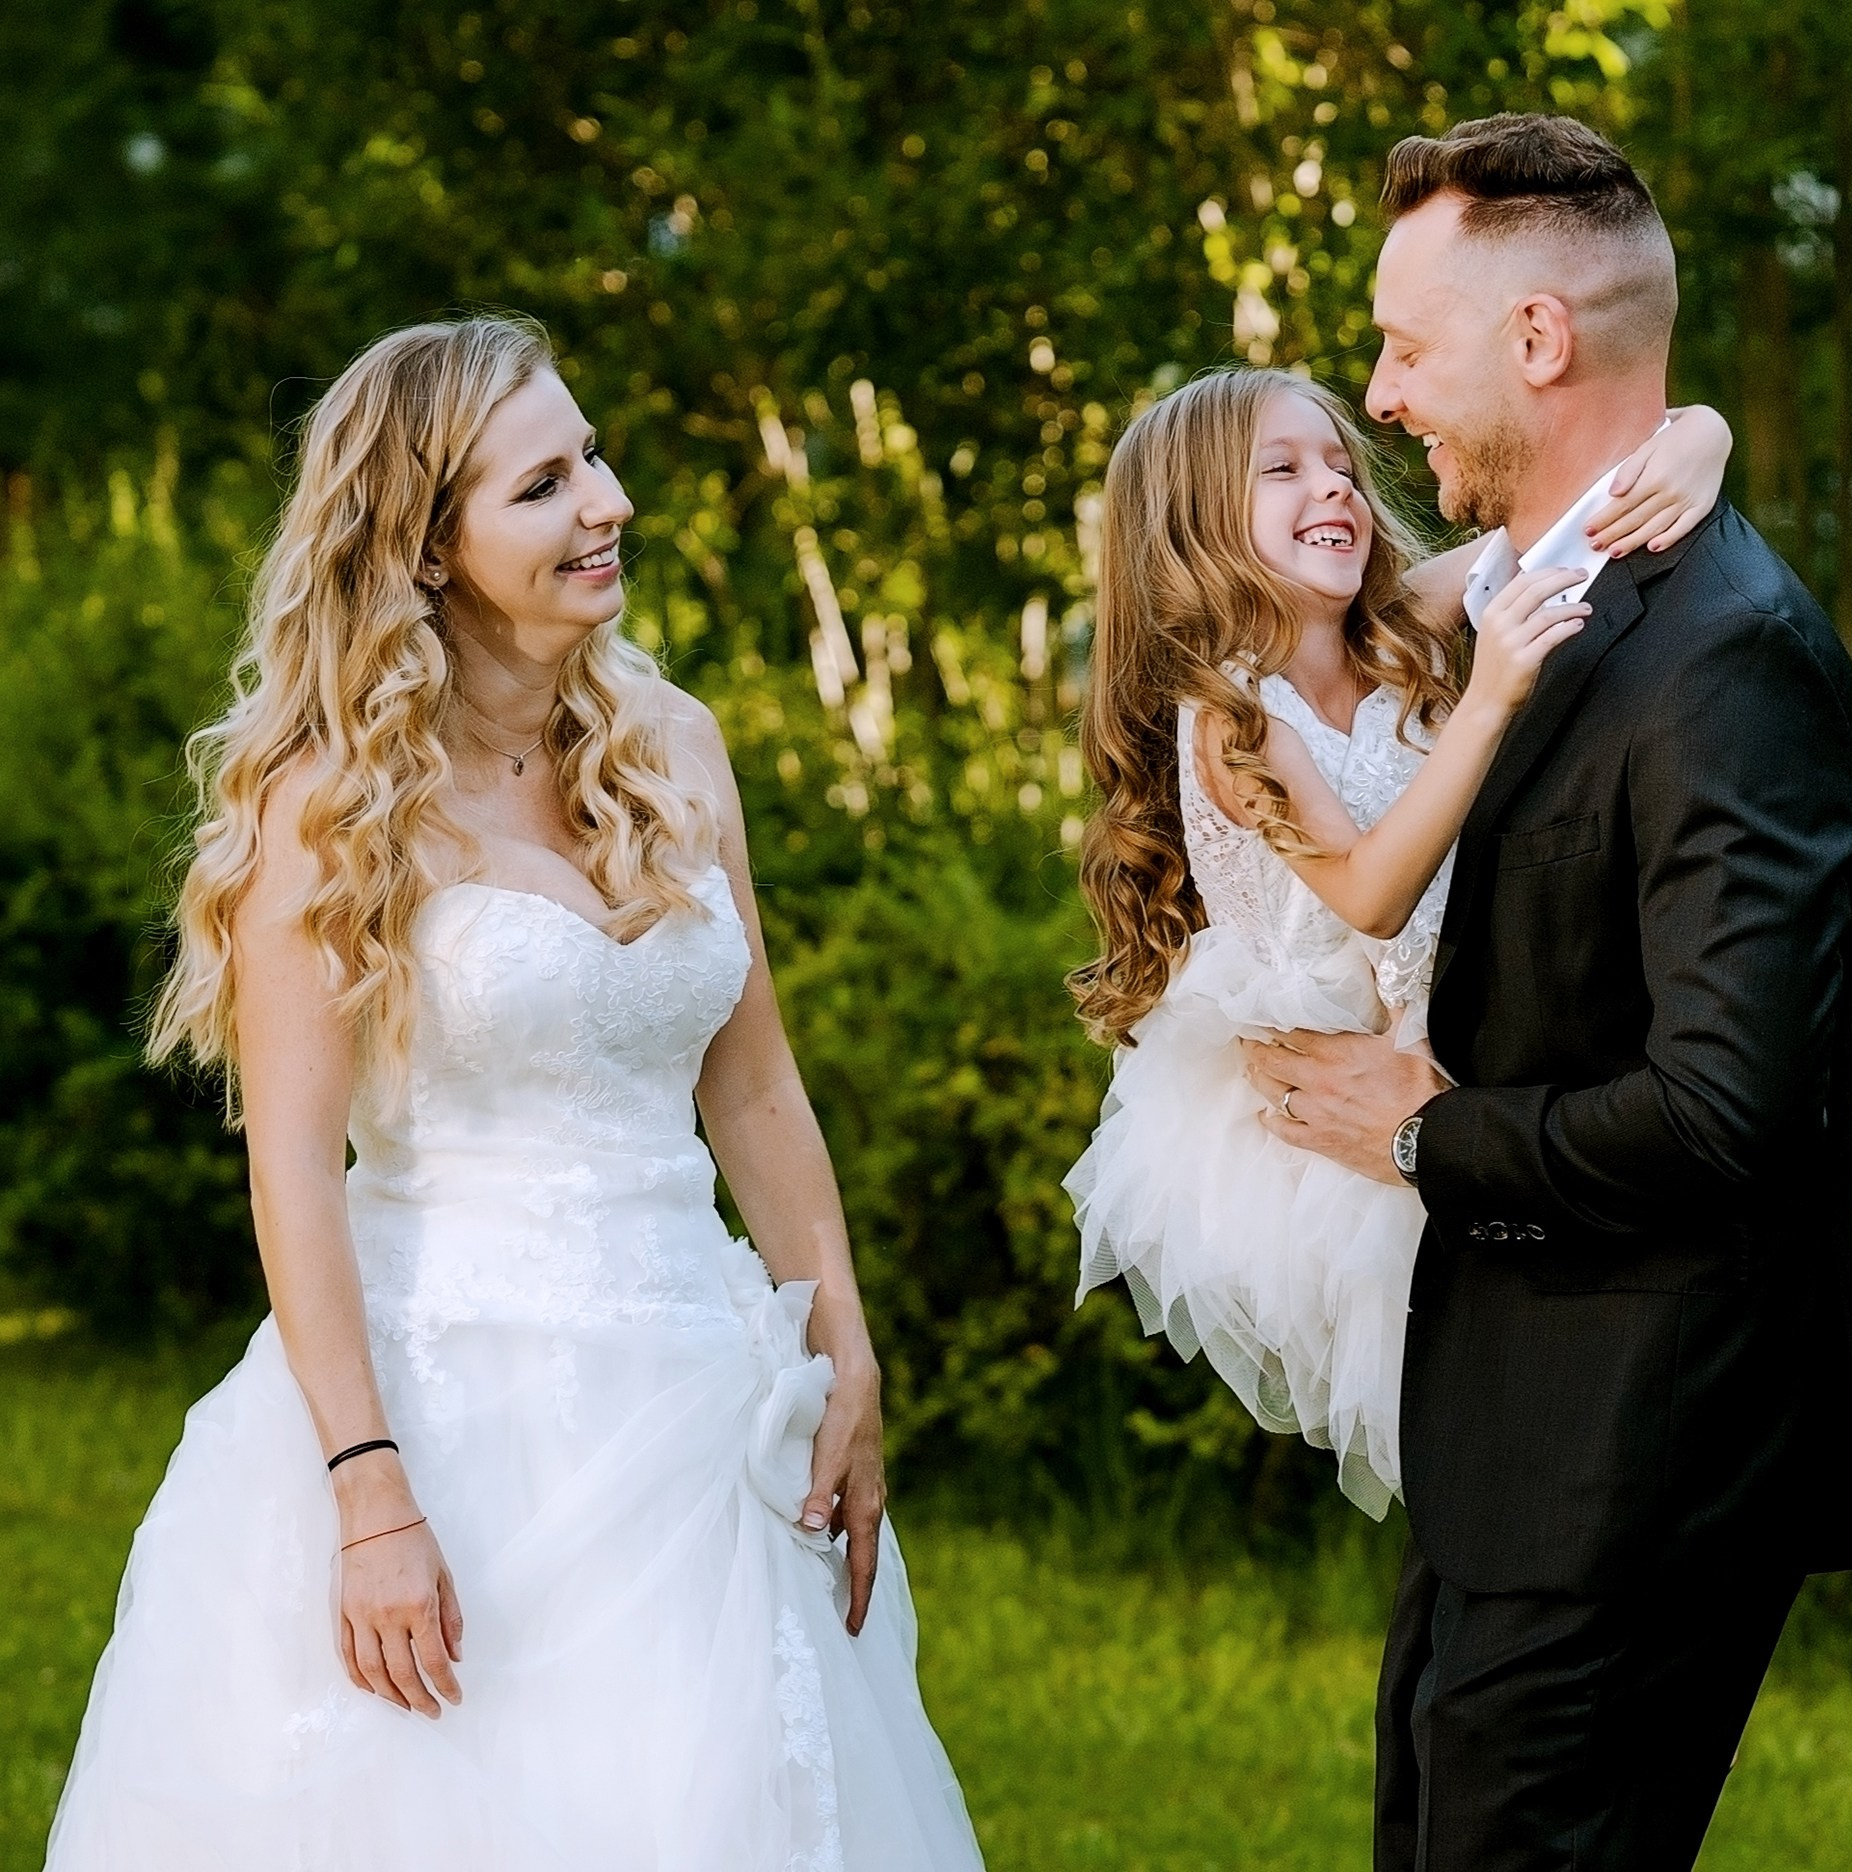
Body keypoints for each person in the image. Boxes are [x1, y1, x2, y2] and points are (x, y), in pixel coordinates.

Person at [45, 316, 982, 1872]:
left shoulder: (672, 744)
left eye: (595, 457)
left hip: (701, 1393)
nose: (607, 500)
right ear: (424, 543)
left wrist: (845, 1353)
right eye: (545, 483)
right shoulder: (330, 805)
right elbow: (290, 1171)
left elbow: (752, 1089)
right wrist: (368, 1495)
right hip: (447, 1412)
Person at [1239, 114, 1852, 1870]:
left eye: (1400, 344)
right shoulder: (1537, 596)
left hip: (1641, 1454)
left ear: (1535, 341)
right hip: (1511, 1438)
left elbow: (1726, 1108)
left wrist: (1429, 1131)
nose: (1378, 399)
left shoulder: (1730, 666)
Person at [1064, 366, 1730, 1515]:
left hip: (1440, 1043)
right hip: (1328, 1128)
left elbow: (1552, 527)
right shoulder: (1231, 714)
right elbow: (1369, 892)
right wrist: (1489, 698)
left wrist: (1700, 437)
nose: (1333, 489)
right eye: (1281, 471)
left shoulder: (1390, 630)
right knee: (1477, 1417)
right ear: (1194, 526)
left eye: (1338, 465)